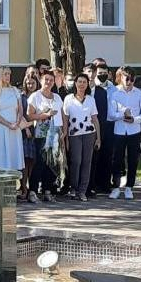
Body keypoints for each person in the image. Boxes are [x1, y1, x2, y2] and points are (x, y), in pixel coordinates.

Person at [108, 66, 141, 200]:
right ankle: (116, 187)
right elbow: (111, 114)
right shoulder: (115, 93)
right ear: (121, 78)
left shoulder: (139, 93)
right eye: (126, 79)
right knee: (116, 160)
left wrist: (134, 119)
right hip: (119, 131)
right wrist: (122, 114)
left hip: (134, 131)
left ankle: (129, 187)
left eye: (131, 79)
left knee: (133, 159)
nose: (129, 82)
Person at [26, 71, 64, 203]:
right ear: (41, 80)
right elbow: (29, 116)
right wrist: (45, 115)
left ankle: (47, 191)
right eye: (46, 79)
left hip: (55, 133)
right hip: (41, 134)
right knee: (40, 162)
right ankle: (32, 191)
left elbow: (62, 115)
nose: (48, 82)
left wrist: (63, 130)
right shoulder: (35, 96)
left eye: (51, 80)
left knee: (52, 163)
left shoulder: (57, 97)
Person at [62, 74, 101, 202]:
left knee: (86, 162)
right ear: (75, 83)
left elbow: (95, 119)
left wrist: (98, 138)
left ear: (87, 84)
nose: (82, 84)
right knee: (76, 161)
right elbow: (65, 119)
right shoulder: (68, 99)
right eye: (79, 81)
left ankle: (82, 191)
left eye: (84, 82)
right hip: (74, 134)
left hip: (89, 134)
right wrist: (65, 137)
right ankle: (73, 188)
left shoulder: (90, 99)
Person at [0, 66, 25, 171]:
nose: (8, 76)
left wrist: (17, 122)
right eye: (5, 74)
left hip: (14, 127)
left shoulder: (14, 90)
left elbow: (20, 108)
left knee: (13, 155)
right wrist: (9, 124)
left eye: (9, 74)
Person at [92, 63, 114, 194]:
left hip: (109, 125)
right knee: (95, 155)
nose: (102, 75)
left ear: (109, 74)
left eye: (105, 73)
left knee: (107, 155)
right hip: (95, 124)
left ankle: (105, 184)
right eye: (100, 73)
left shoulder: (113, 89)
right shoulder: (92, 88)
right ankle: (94, 184)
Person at [20, 74, 39, 200]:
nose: (30, 85)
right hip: (24, 131)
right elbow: (20, 114)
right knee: (25, 161)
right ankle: (23, 188)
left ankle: (32, 188)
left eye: (33, 83)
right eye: (28, 83)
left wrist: (32, 124)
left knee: (34, 161)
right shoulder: (22, 97)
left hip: (38, 129)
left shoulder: (39, 96)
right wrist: (26, 127)